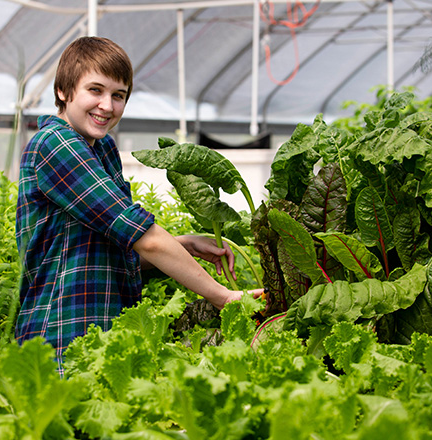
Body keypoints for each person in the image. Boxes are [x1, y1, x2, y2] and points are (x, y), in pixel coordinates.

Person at [15, 36, 263, 371]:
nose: (107, 105)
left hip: (107, 336)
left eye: (119, 95)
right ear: (63, 91)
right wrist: (223, 296)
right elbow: (142, 235)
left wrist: (185, 244)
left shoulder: (100, 149)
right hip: (61, 336)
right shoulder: (54, 144)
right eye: (95, 90)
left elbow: (112, 250)